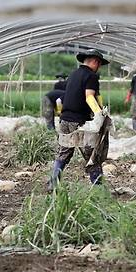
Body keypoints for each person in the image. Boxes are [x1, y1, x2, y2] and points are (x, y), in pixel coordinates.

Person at [48, 49, 110, 190]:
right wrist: (99, 114)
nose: (99, 67)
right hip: (79, 122)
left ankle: (53, 183)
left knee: (63, 152)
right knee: (91, 154)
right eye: (99, 64)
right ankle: (99, 188)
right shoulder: (91, 76)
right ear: (95, 61)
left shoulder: (74, 74)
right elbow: (89, 97)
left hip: (64, 120)